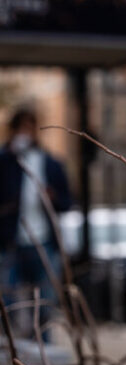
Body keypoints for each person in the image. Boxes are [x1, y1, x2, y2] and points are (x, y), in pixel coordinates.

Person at [0, 108, 73, 336]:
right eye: (21, 128)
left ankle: (44, 352)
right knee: (7, 302)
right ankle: (10, 352)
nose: (25, 133)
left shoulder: (50, 163)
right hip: (10, 241)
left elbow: (68, 201)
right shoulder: (5, 161)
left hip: (43, 241)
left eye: (29, 128)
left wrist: (53, 199)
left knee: (44, 304)